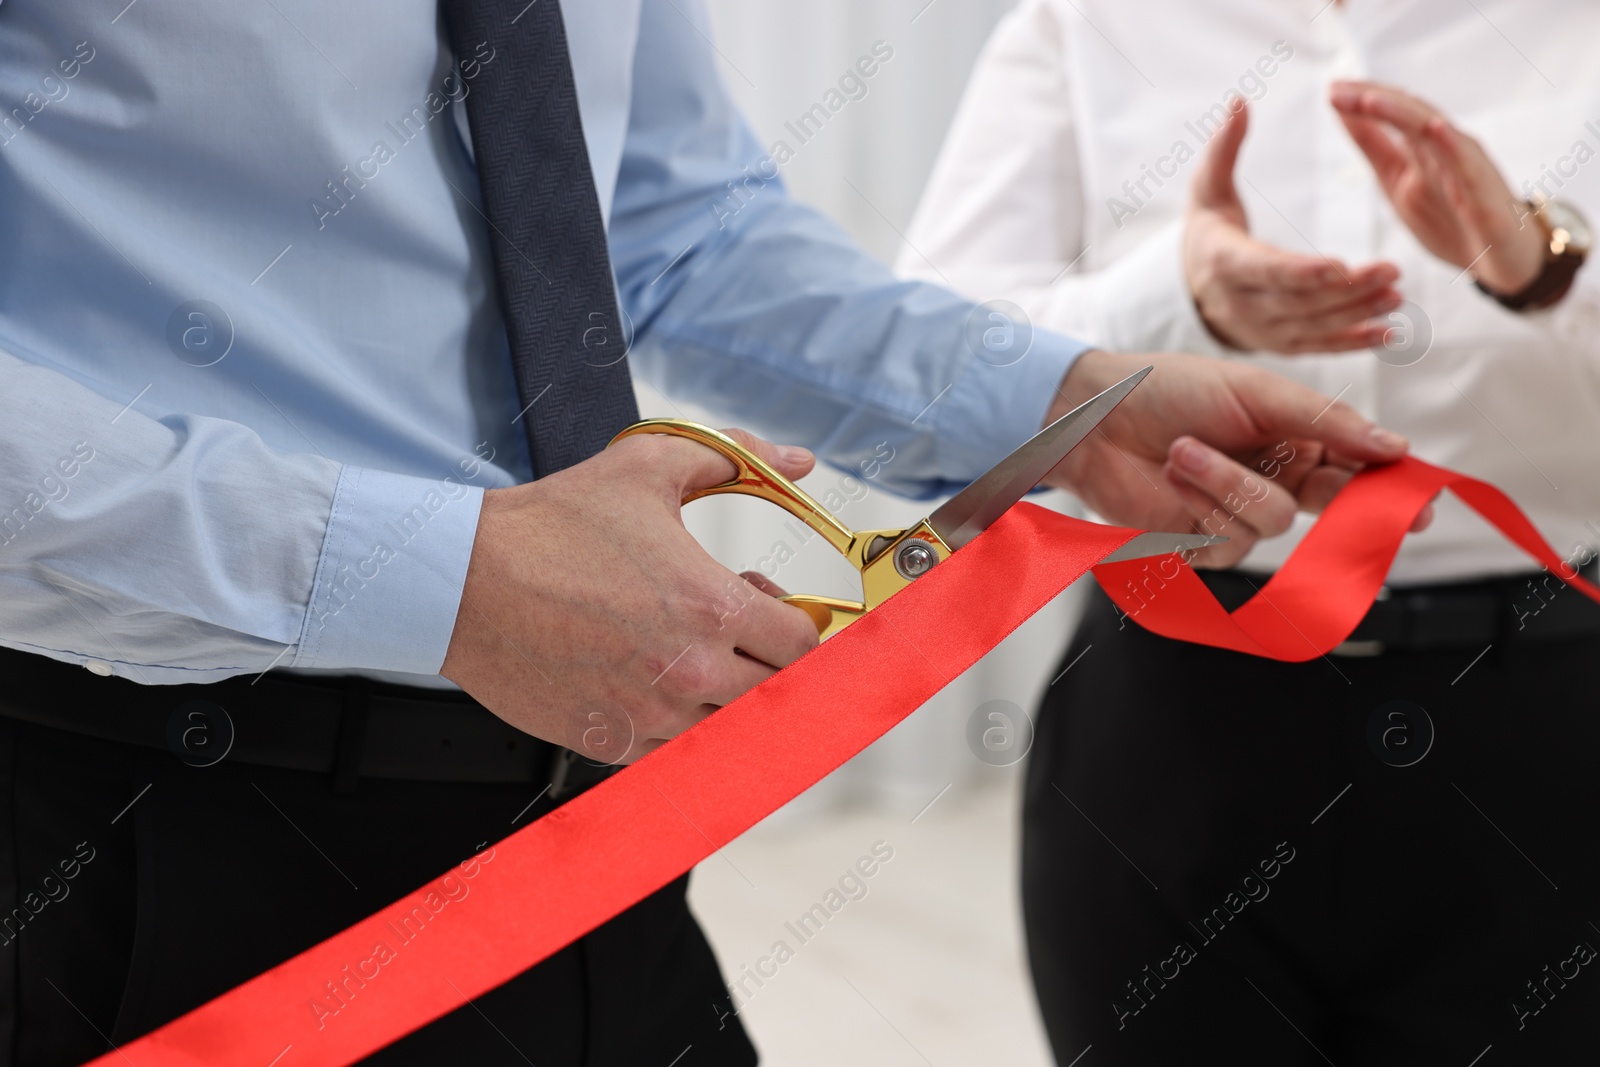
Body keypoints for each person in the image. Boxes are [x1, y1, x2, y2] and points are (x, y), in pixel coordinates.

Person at [0, 1, 1411, 1064]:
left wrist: (1060, 404)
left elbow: (672, 231)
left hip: (580, 841)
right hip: (131, 837)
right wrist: (433, 578)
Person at [898, 0, 1600, 1062]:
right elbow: (921, 374)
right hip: (1174, 715)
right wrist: (1175, 301)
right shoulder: (1083, 20)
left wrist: (1540, 272)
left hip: (1545, 729)